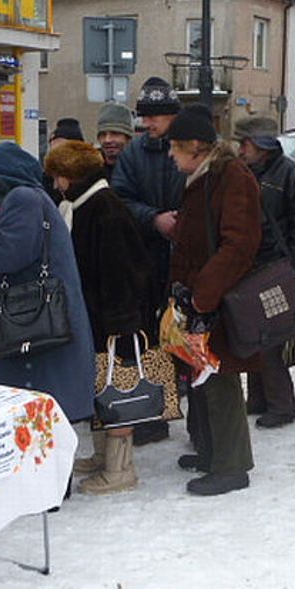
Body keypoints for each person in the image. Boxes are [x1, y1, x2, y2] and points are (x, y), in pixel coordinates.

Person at [0, 142, 96, 426]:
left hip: (33, 330)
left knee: (38, 428)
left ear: (4, 177)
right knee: (40, 428)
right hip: (37, 327)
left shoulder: (22, 198)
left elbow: (5, 254)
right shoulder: (30, 198)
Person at [43, 140, 151, 494]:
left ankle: (121, 469)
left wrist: (121, 325)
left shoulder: (105, 210)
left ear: (72, 176)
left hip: (114, 321)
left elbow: (121, 272)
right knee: (98, 386)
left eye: (58, 176)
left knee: (116, 388)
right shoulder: (80, 206)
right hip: (95, 317)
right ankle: (103, 456)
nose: (56, 184)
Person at [166, 104, 262, 495]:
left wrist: (204, 295)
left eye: (174, 147)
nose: (170, 154)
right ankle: (210, 451)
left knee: (220, 380)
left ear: (195, 146)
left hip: (218, 297)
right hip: (200, 296)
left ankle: (231, 466)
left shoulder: (231, 176)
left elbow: (239, 243)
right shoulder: (205, 175)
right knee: (201, 378)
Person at [110, 76, 187, 447]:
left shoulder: (191, 147)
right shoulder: (134, 154)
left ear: (172, 116)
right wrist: (154, 218)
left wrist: (182, 221)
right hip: (145, 258)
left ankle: (202, 425)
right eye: (144, 115)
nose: (147, 122)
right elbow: (121, 199)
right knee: (150, 338)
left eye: (155, 116)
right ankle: (155, 416)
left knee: (185, 336)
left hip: (185, 258)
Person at [233, 115, 295, 428]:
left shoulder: (292, 173)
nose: (240, 149)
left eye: (245, 143)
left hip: (275, 267)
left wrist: (292, 268)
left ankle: (281, 405)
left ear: (260, 145)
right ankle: (258, 399)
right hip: (249, 265)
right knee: (253, 334)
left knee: (271, 339)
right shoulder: (245, 170)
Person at [95, 101, 135, 179]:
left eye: (115, 133)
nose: (107, 140)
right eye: (103, 134)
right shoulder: (89, 171)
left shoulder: (141, 169)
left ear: (128, 138)